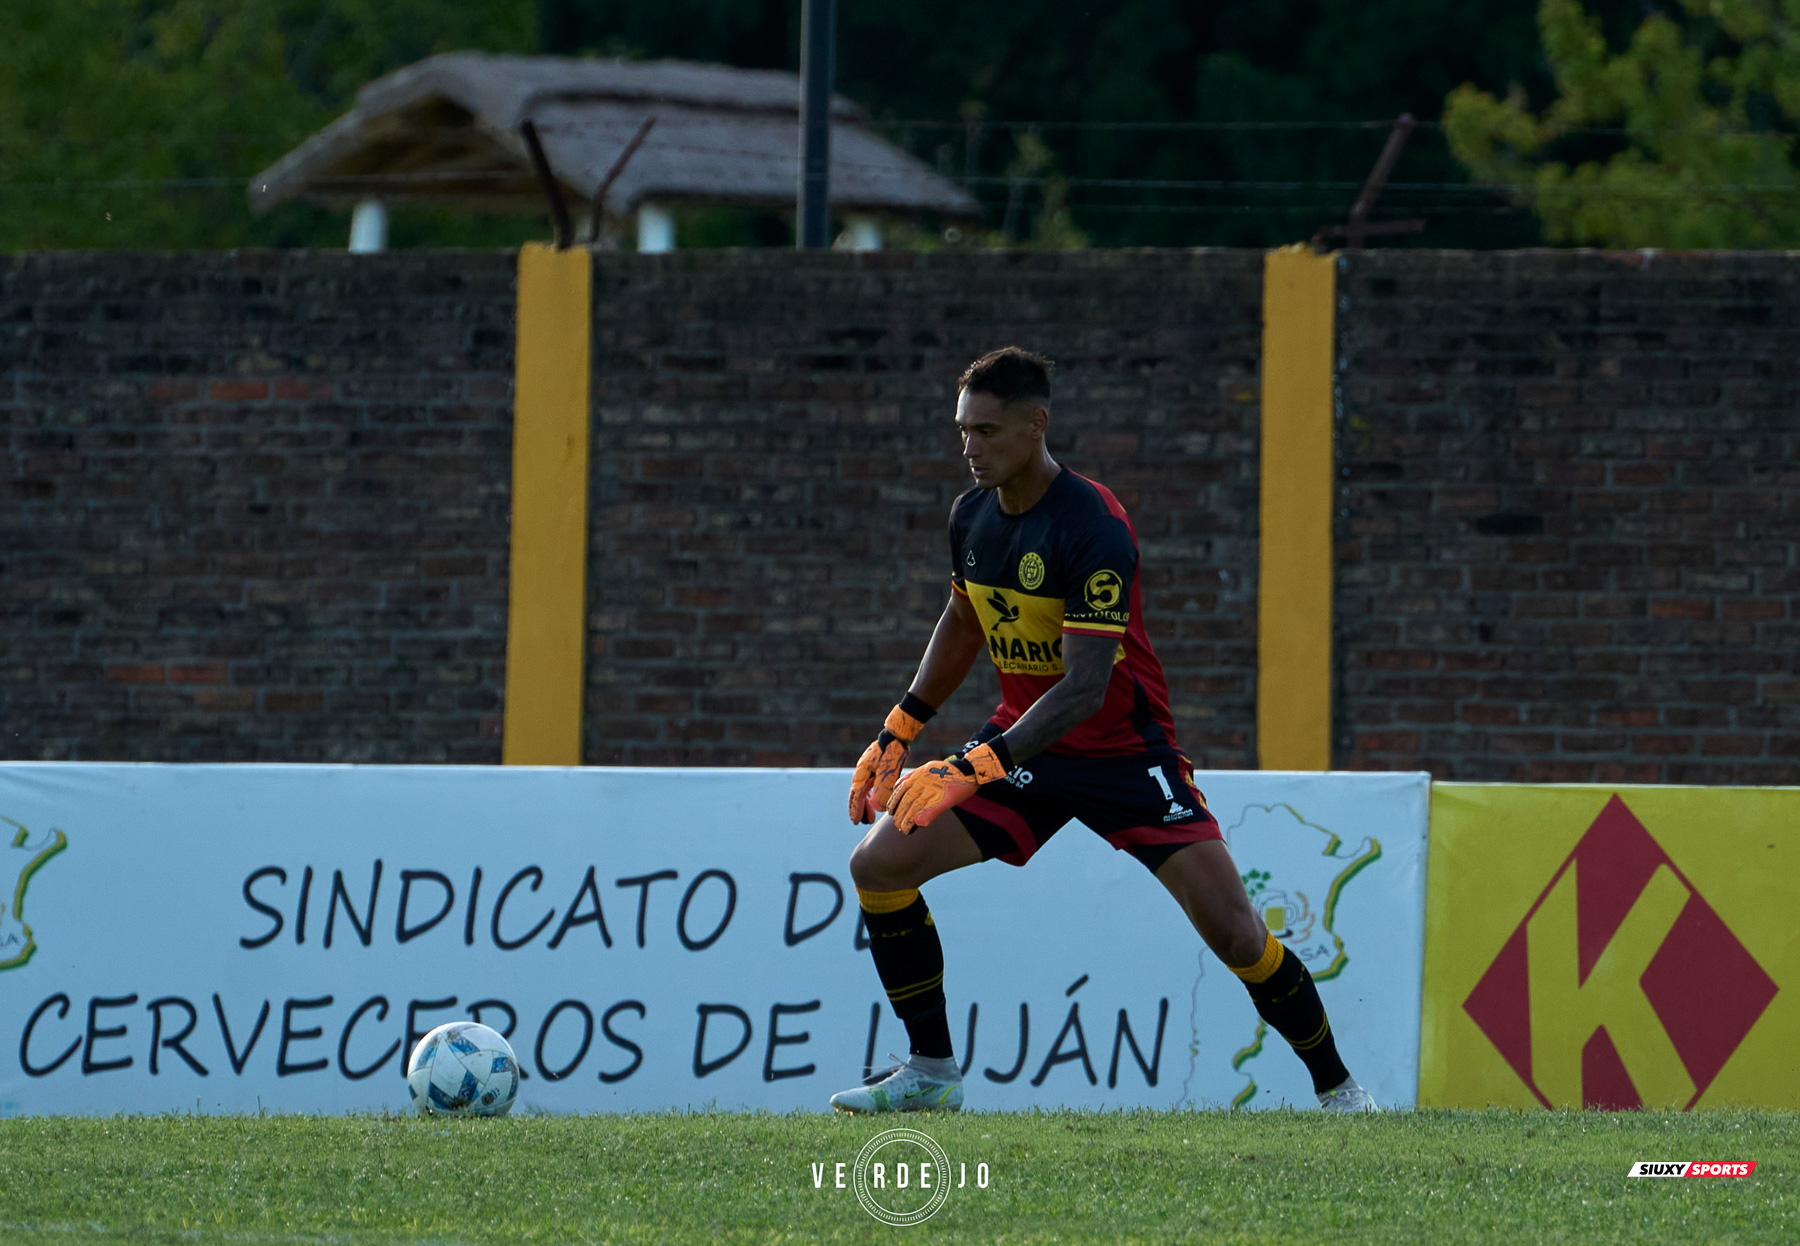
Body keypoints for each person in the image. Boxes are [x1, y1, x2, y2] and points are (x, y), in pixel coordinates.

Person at [831, 346, 1375, 1115]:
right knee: (879, 865)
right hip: (1025, 749)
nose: (970, 448)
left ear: (1036, 425)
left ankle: (1340, 1091)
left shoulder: (1094, 525)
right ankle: (931, 1071)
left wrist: (971, 767)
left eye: (986, 431)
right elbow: (963, 618)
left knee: (1235, 933)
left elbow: (1085, 690)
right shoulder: (971, 516)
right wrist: (900, 726)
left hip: (1124, 755)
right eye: (963, 431)